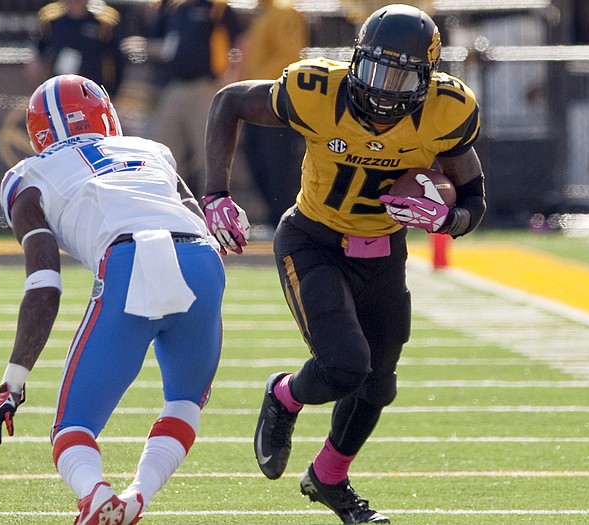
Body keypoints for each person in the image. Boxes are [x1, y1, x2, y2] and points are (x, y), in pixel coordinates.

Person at [202, 4, 486, 524]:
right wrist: (216, 192)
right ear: (356, 59)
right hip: (314, 241)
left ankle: (329, 478)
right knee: (345, 367)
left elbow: (473, 200)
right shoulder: (318, 90)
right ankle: (284, 395)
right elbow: (228, 102)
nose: (382, 87)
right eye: (375, 68)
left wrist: (447, 220)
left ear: (429, 79)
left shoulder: (448, 110)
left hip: (383, 253)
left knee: (378, 385)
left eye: (399, 76)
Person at [0, 74, 226, 525]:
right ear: (104, 115)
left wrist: (13, 380)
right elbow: (197, 218)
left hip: (130, 259)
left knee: (73, 425)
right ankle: (137, 498)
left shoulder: (27, 175)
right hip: (203, 261)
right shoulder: (152, 151)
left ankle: (95, 495)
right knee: (185, 401)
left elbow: (45, 280)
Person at [144, 0, 245, 197]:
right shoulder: (173, 7)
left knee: (209, 155)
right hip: (174, 87)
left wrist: (234, 79)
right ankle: (169, 206)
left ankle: (215, 210)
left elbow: (242, 40)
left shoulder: (217, 7)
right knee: (164, 151)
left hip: (206, 87)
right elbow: (156, 43)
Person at [237, 0, 308, 232]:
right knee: (257, 156)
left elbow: (288, 56)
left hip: (276, 99)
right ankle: (273, 216)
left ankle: (284, 217)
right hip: (259, 98)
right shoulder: (262, 14)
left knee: (278, 161)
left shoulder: (284, 11)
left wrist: (261, 86)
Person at [25, 0, 126, 96]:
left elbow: (117, 58)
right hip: (59, 89)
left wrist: (112, 92)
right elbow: (38, 53)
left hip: (94, 90)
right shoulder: (50, 19)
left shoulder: (105, 21)